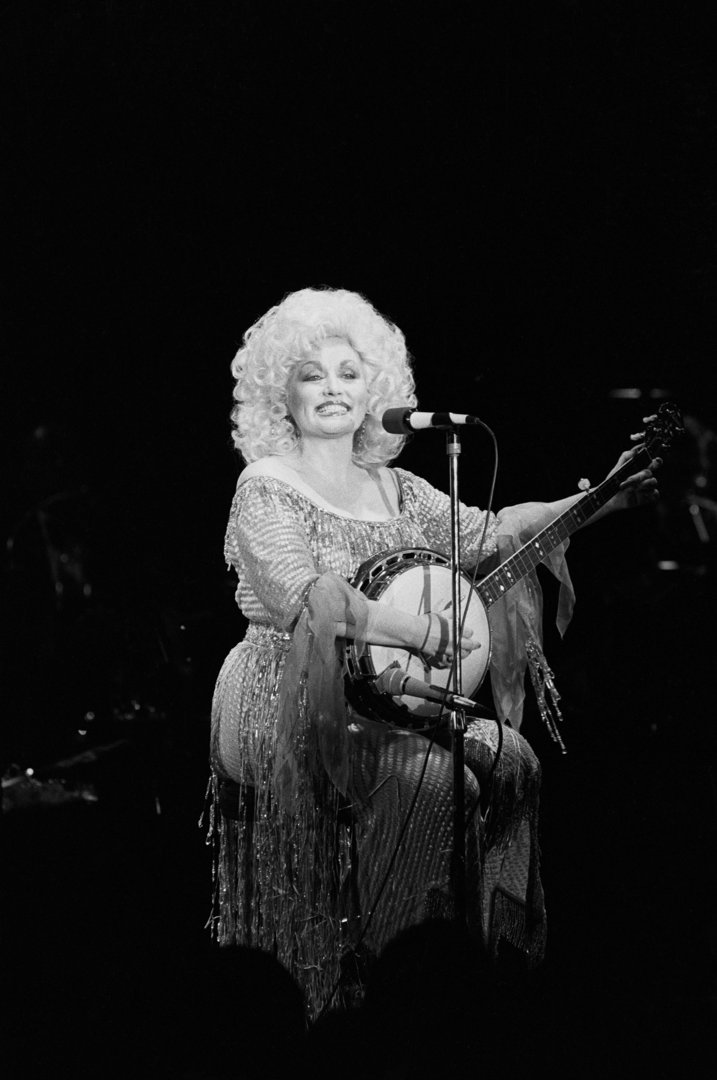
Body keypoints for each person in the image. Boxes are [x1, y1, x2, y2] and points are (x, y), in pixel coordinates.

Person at [205, 287, 659, 1019]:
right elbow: (300, 594)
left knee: (511, 761)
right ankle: (383, 987)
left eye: (348, 373)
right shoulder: (267, 485)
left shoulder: (397, 485)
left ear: (375, 387)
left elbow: (493, 532)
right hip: (291, 694)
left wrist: (601, 497)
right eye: (310, 374)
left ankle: (485, 961)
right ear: (278, 392)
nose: (331, 388)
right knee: (431, 783)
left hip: (386, 696)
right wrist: (414, 632)